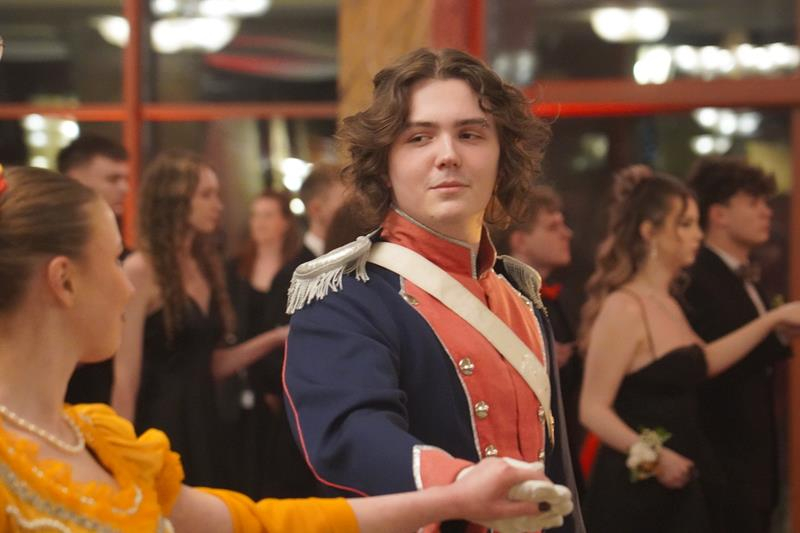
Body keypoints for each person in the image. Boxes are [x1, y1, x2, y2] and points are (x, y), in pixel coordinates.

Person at [0, 165, 583, 533]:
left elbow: (262, 522)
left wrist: (456, 495)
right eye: (112, 258)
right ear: (63, 280)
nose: (127, 284)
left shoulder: (103, 443)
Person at [283, 48, 582, 533]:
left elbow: (558, 472)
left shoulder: (521, 295)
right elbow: (348, 435)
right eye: (419, 137)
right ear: (385, 164)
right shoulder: (343, 296)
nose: (448, 155)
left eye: (470, 134)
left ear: (502, 156)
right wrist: (461, 485)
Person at [578, 166, 800, 533]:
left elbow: (707, 360)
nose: (697, 234)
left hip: (684, 479)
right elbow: (592, 409)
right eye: (685, 224)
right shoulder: (624, 306)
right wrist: (655, 458)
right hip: (638, 489)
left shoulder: (669, 302)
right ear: (649, 232)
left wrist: (771, 323)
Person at [111, 150, 288, 487]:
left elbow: (211, 364)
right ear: (174, 200)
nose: (218, 206)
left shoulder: (205, 266)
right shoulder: (141, 270)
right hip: (161, 424)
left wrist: (276, 338)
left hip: (210, 421)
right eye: (206, 195)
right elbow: (125, 378)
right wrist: (121, 460)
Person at [682, 156, 790, 533]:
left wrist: (780, 336)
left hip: (755, 458)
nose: (767, 212)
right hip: (719, 458)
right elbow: (705, 359)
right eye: (754, 202)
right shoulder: (696, 277)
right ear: (719, 214)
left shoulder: (749, 277)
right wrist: (774, 325)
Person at [493, 185, 585, 496]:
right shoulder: (501, 298)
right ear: (520, 240)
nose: (567, 233)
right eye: (553, 226)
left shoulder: (555, 297)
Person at [223, 190, 315, 498]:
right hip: (242, 382)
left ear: (285, 222)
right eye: (255, 215)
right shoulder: (236, 268)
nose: (259, 223)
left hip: (285, 382)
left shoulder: (304, 266)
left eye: (267, 215)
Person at [58, 135, 130, 405]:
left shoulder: (128, 255)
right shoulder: (45, 250)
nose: (124, 188)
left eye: (126, 178)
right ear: (75, 180)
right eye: (113, 179)